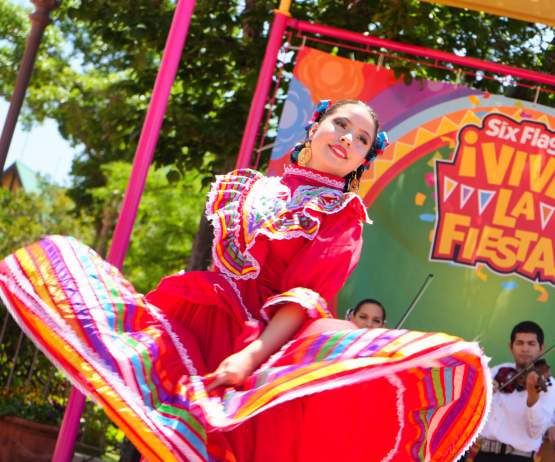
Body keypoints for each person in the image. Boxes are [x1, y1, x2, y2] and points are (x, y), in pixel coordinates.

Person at [0, 99, 491, 462]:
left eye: (362, 139)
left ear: (365, 159)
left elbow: (304, 298)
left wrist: (251, 357)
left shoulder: (341, 214)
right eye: (340, 124)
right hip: (200, 321)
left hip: (261, 345)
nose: (347, 138)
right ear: (316, 125)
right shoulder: (253, 186)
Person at [472, 321, 555, 461]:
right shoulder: (498, 371)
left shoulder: (549, 384)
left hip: (517, 457)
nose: (525, 349)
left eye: (531, 344)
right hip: (483, 454)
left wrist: (532, 396)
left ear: (541, 348)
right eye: (519, 343)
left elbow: (536, 432)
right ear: (511, 347)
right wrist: (485, 392)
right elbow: (472, 408)